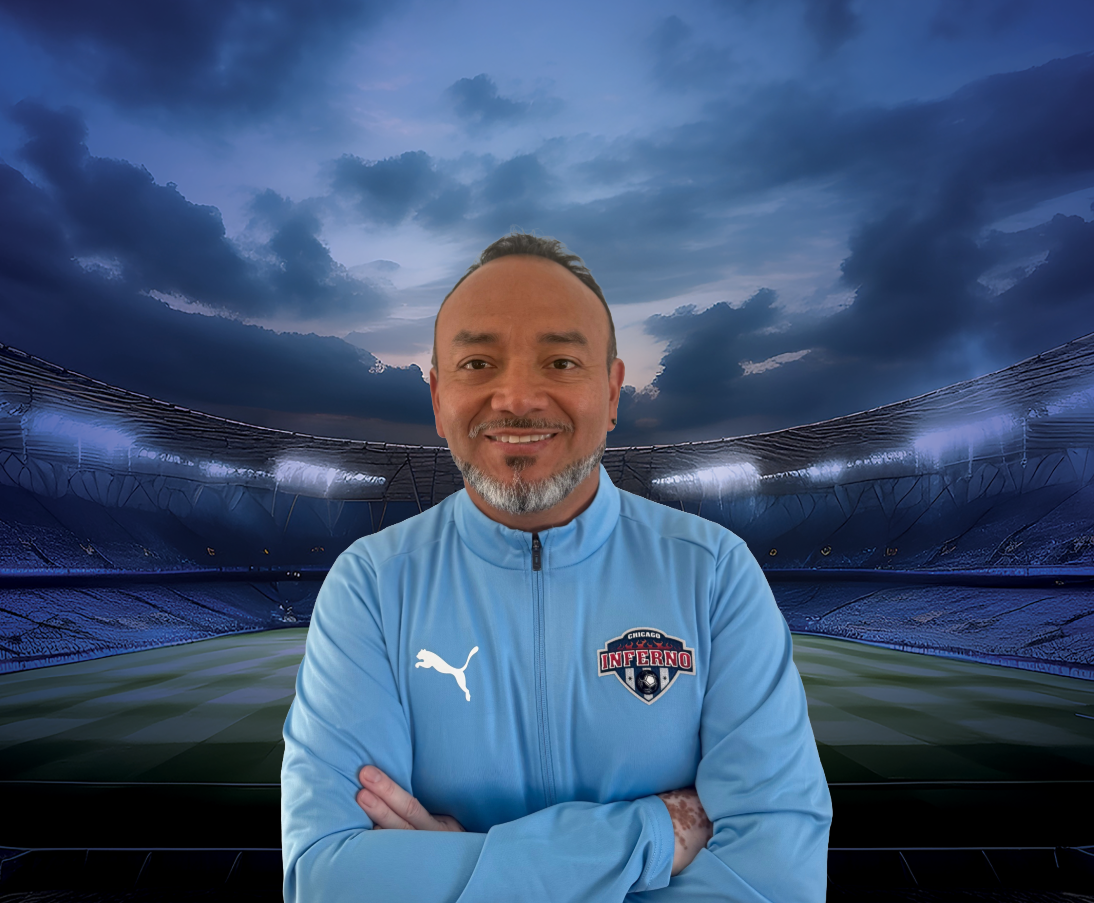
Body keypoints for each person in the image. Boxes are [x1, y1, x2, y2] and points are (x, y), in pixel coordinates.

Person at [281, 233, 832, 902]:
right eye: (478, 362)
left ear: (613, 391)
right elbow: (329, 878)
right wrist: (653, 832)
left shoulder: (714, 574)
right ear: (437, 396)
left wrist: (459, 869)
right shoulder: (370, 586)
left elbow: (773, 881)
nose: (516, 397)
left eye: (562, 361)